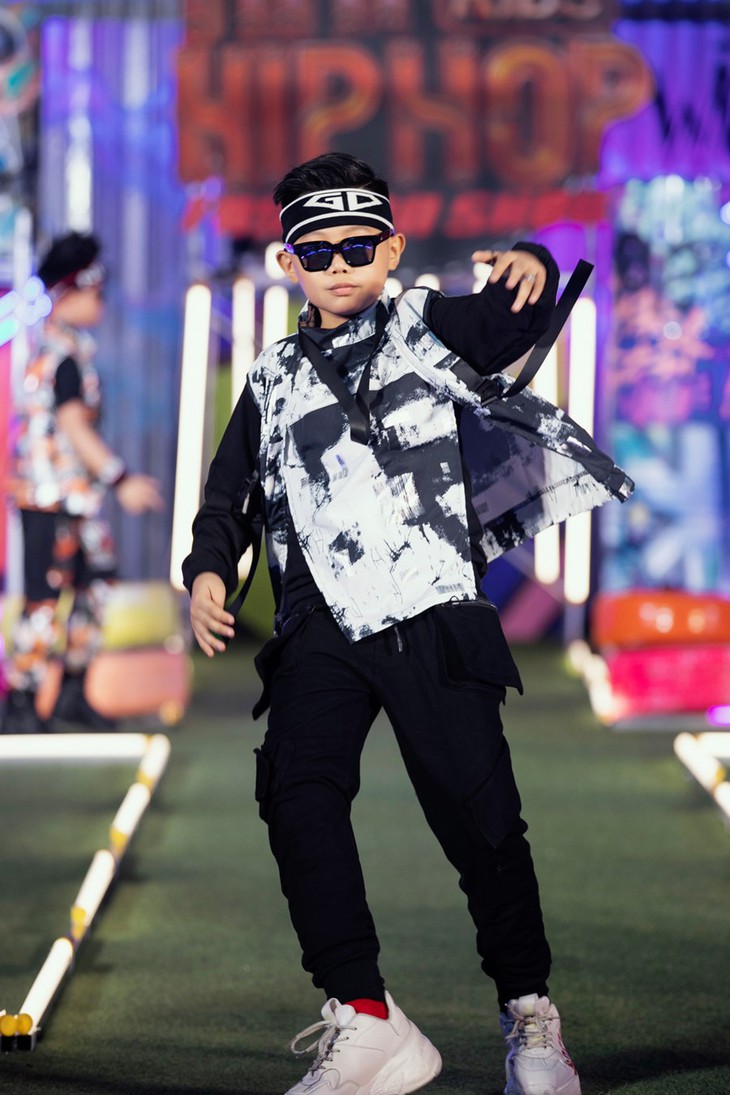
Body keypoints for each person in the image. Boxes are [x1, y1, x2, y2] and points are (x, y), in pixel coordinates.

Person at [183, 153, 632, 1095]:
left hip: (432, 606)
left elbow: (512, 317)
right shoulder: (269, 377)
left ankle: (531, 1016)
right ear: (288, 263)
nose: (340, 264)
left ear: (391, 249)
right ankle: (366, 1014)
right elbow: (228, 497)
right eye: (318, 251)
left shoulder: (428, 322)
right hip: (317, 624)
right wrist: (209, 571)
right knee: (296, 794)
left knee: (482, 822)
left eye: (359, 246)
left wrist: (532, 260)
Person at [1, 231, 163, 734]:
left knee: (96, 586)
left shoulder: (70, 348)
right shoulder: (60, 355)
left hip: (77, 499)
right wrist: (121, 478)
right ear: (69, 291)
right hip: (50, 498)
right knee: (43, 600)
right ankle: (22, 701)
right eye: (95, 287)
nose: (102, 298)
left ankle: (72, 693)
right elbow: (73, 425)